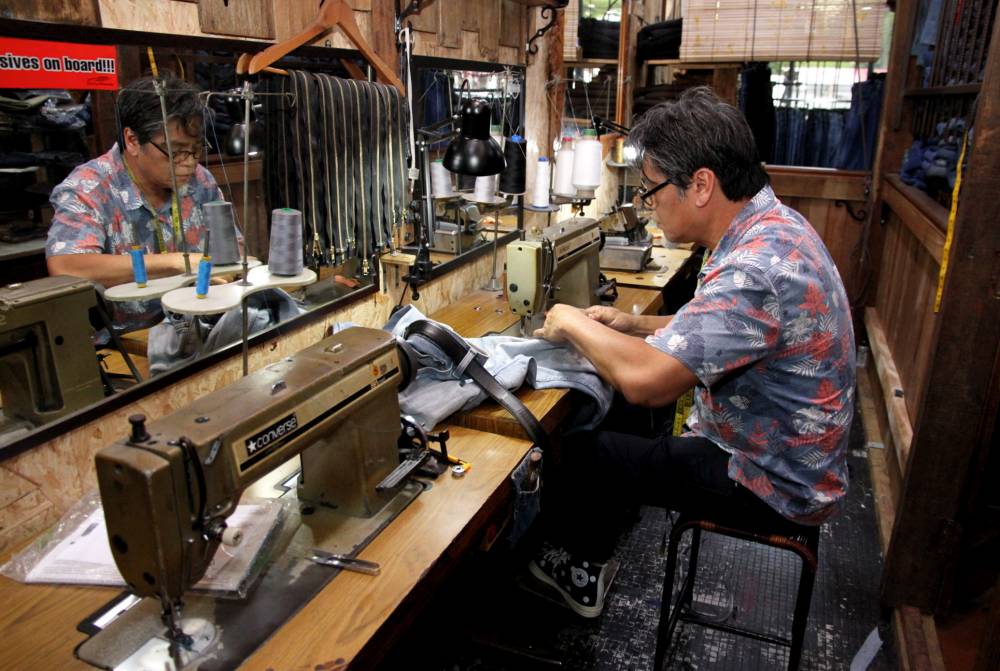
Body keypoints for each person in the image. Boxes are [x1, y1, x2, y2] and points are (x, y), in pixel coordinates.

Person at [528, 87, 856, 618]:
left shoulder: (755, 268)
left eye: (651, 189)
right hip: (785, 452)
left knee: (581, 447)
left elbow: (649, 381)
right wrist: (634, 323)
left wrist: (567, 319)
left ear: (701, 184)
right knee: (625, 415)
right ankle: (610, 527)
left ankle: (578, 570)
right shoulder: (771, 229)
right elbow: (724, 328)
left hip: (772, 481)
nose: (647, 203)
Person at [45, 74, 225, 339]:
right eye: (174, 151)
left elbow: (232, 248)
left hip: (201, 328)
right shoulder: (90, 188)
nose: (188, 162)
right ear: (132, 140)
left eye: (196, 149)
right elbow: (66, 266)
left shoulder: (200, 181)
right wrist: (176, 263)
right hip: (127, 344)